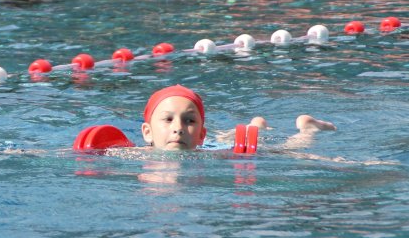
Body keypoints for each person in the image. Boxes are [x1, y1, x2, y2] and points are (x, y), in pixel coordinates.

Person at [140, 84, 336, 151]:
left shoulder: (210, 156)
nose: (179, 128)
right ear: (147, 132)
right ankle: (255, 126)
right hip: (221, 144)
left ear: (201, 135)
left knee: (287, 149)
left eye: (190, 121)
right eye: (168, 119)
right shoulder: (129, 154)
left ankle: (308, 129)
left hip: (225, 147)